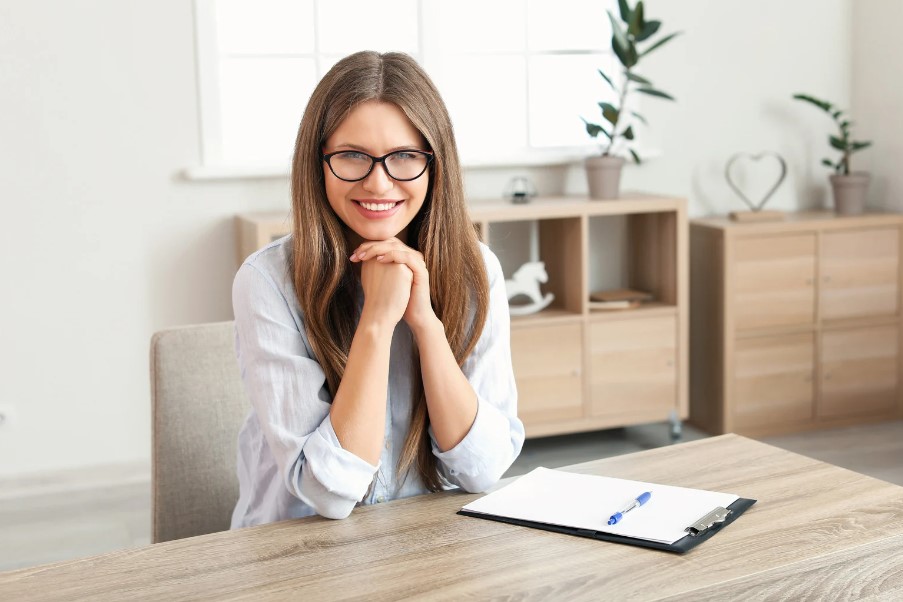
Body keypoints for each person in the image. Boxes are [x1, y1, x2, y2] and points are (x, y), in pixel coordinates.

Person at [230, 51, 525, 527]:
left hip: (427, 544)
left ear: (434, 164)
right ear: (318, 161)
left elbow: (483, 469)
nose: (379, 182)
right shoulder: (267, 281)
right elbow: (328, 493)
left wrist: (425, 324)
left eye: (405, 156)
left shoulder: (475, 270)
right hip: (294, 555)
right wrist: (377, 321)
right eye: (352, 155)